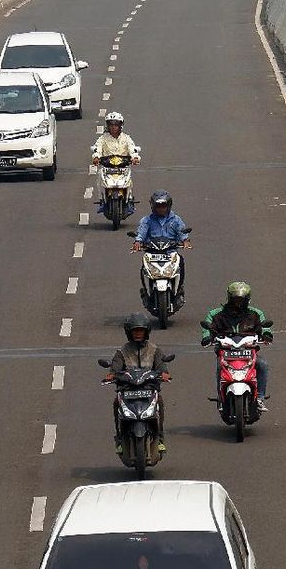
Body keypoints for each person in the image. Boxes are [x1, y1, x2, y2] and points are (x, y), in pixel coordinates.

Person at [201, 282, 273, 411]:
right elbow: (207, 326)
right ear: (229, 298)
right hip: (226, 351)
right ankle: (221, 398)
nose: (238, 303)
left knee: (262, 364)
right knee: (220, 366)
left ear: (247, 299)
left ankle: (260, 398)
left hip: (248, 351)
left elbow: (265, 326)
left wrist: (267, 335)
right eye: (235, 300)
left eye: (241, 300)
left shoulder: (256, 314)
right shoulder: (216, 314)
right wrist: (207, 337)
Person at [108, 313, 169, 454]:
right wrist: (111, 375)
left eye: (140, 331)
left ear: (146, 332)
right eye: (135, 331)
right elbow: (115, 367)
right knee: (116, 403)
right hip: (127, 389)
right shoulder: (122, 351)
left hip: (149, 387)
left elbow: (161, 366)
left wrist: (164, 374)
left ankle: (160, 438)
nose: (138, 334)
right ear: (129, 332)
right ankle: (119, 437)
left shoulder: (154, 350)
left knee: (159, 402)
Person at [132, 190, 191, 297]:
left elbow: (182, 231)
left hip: (170, 252)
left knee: (181, 262)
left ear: (168, 206)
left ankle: (179, 289)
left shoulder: (176, 220)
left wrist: (185, 241)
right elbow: (141, 232)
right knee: (143, 268)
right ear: (153, 207)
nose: (161, 209)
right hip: (152, 252)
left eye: (163, 206)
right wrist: (138, 241)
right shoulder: (147, 220)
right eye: (158, 206)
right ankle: (146, 291)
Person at [92, 111, 141, 212]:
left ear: (120, 126)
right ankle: (102, 201)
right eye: (111, 124)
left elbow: (132, 149)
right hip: (107, 167)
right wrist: (96, 157)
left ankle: (129, 200)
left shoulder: (126, 138)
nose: (113, 127)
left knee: (129, 182)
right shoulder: (103, 138)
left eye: (116, 124)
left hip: (123, 167)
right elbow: (97, 148)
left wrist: (135, 157)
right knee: (99, 179)